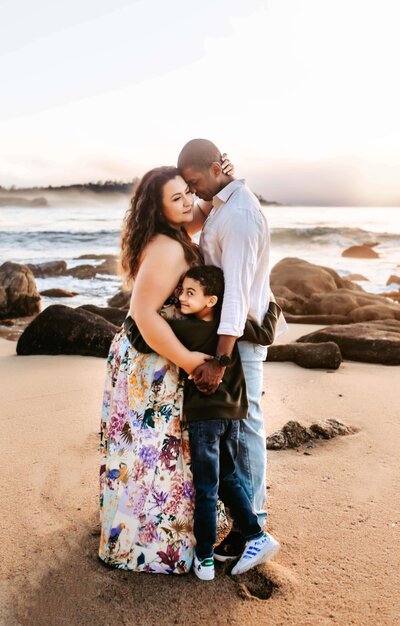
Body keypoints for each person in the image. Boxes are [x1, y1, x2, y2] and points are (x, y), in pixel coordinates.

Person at [99, 164, 233, 574]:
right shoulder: (168, 247)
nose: (187, 201)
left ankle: (144, 534)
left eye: (187, 192)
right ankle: (146, 546)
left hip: (151, 356)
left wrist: (220, 182)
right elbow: (143, 314)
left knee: (155, 450)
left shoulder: (174, 232)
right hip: (149, 360)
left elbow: (205, 210)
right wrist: (191, 360)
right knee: (150, 452)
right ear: (159, 210)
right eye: (176, 198)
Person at [177, 139, 286, 562]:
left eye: (194, 182)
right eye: (186, 186)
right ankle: (246, 525)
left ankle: (253, 525)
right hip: (231, 335)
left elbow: (236, 296)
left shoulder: (238, 214)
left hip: (241, 337)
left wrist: (220, 361)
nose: (192, 191)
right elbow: (194, 217)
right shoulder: (223, 201)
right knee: (239, 428)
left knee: (247, 427)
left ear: (213, 167)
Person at [176, 266, 280, 580]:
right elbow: (266, 333)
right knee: (228, 477)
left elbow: (143, 336)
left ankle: (205, 558)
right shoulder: (231, 327)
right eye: (181, 291)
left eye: (189, 293)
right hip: (232, 416)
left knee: (207, 488)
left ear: (211, 300)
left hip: (204, 420)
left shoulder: (184, 330)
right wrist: (271, 302)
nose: (181, 297)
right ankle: (255, 533)